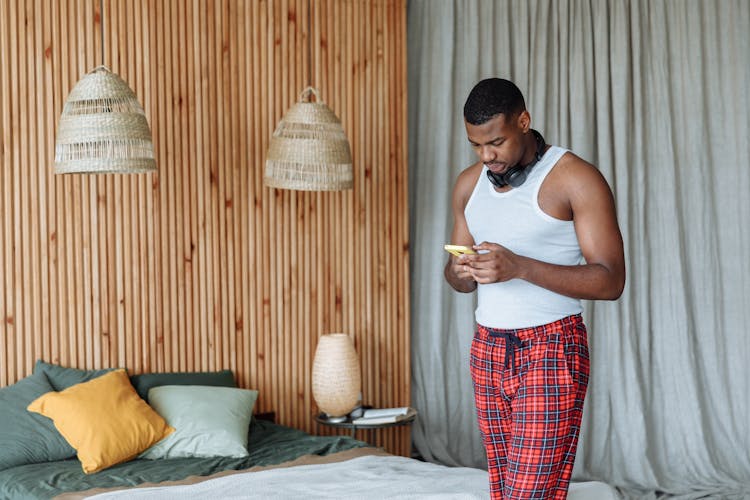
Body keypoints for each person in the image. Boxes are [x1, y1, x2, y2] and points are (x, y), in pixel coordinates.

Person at [444, 78, 625, 499]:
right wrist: (462, 270)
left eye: (497, 142)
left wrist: (519, 267)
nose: (487, 156)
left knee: (530, 493)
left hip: (552, 346)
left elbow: (611, 279)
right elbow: (456, 279)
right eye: (476, 145)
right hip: (487, 347)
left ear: (524, 121)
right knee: (506, 491)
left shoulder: (575, 178)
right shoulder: (469, 184)